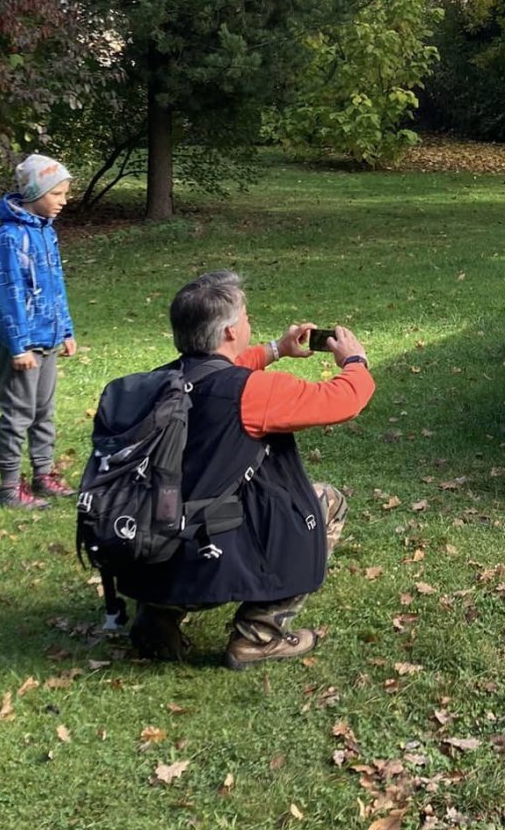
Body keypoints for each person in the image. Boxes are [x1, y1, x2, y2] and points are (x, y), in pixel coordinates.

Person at [116, 270, 374, 667]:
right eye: (247, 315)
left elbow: (216, 369)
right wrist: (355, 361)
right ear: (231, 331)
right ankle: (259, 634)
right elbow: (345, 399)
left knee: (190, 500)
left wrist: (275, 349)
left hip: (145, 550)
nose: (249, 321)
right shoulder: (252, 394)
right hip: (212, 558)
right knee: (325, 503)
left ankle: (156, 618)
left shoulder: (156, 383)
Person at [0, 153, 77, 510]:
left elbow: (56, 287)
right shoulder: (9, 238)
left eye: (65, 193)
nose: (63, 201)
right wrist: (18, 346)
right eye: (57, 193)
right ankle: (10, 487)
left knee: (44, 412)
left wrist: (65, 330)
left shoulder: (46, 232)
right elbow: (6, 295)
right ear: (35, 193)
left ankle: (43, 475)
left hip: (49, 340)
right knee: (18, 415)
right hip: (24, 347)